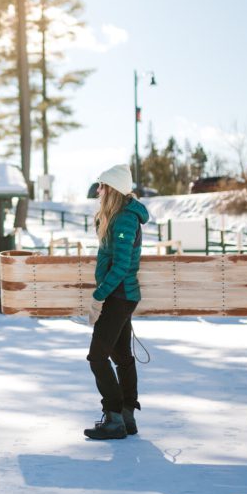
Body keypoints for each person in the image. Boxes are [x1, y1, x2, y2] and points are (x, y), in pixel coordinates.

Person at [84, 163, 150, 440]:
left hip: (119, 296)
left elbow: (121, 265)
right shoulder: (117, 215)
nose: (98, 191)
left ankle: (113, 418)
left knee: (97, 357)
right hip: (120, 296)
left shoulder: (124, 219)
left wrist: (99, 297)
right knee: (122, 357)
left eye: (102, 186)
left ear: (112, 189)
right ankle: (126, 415)